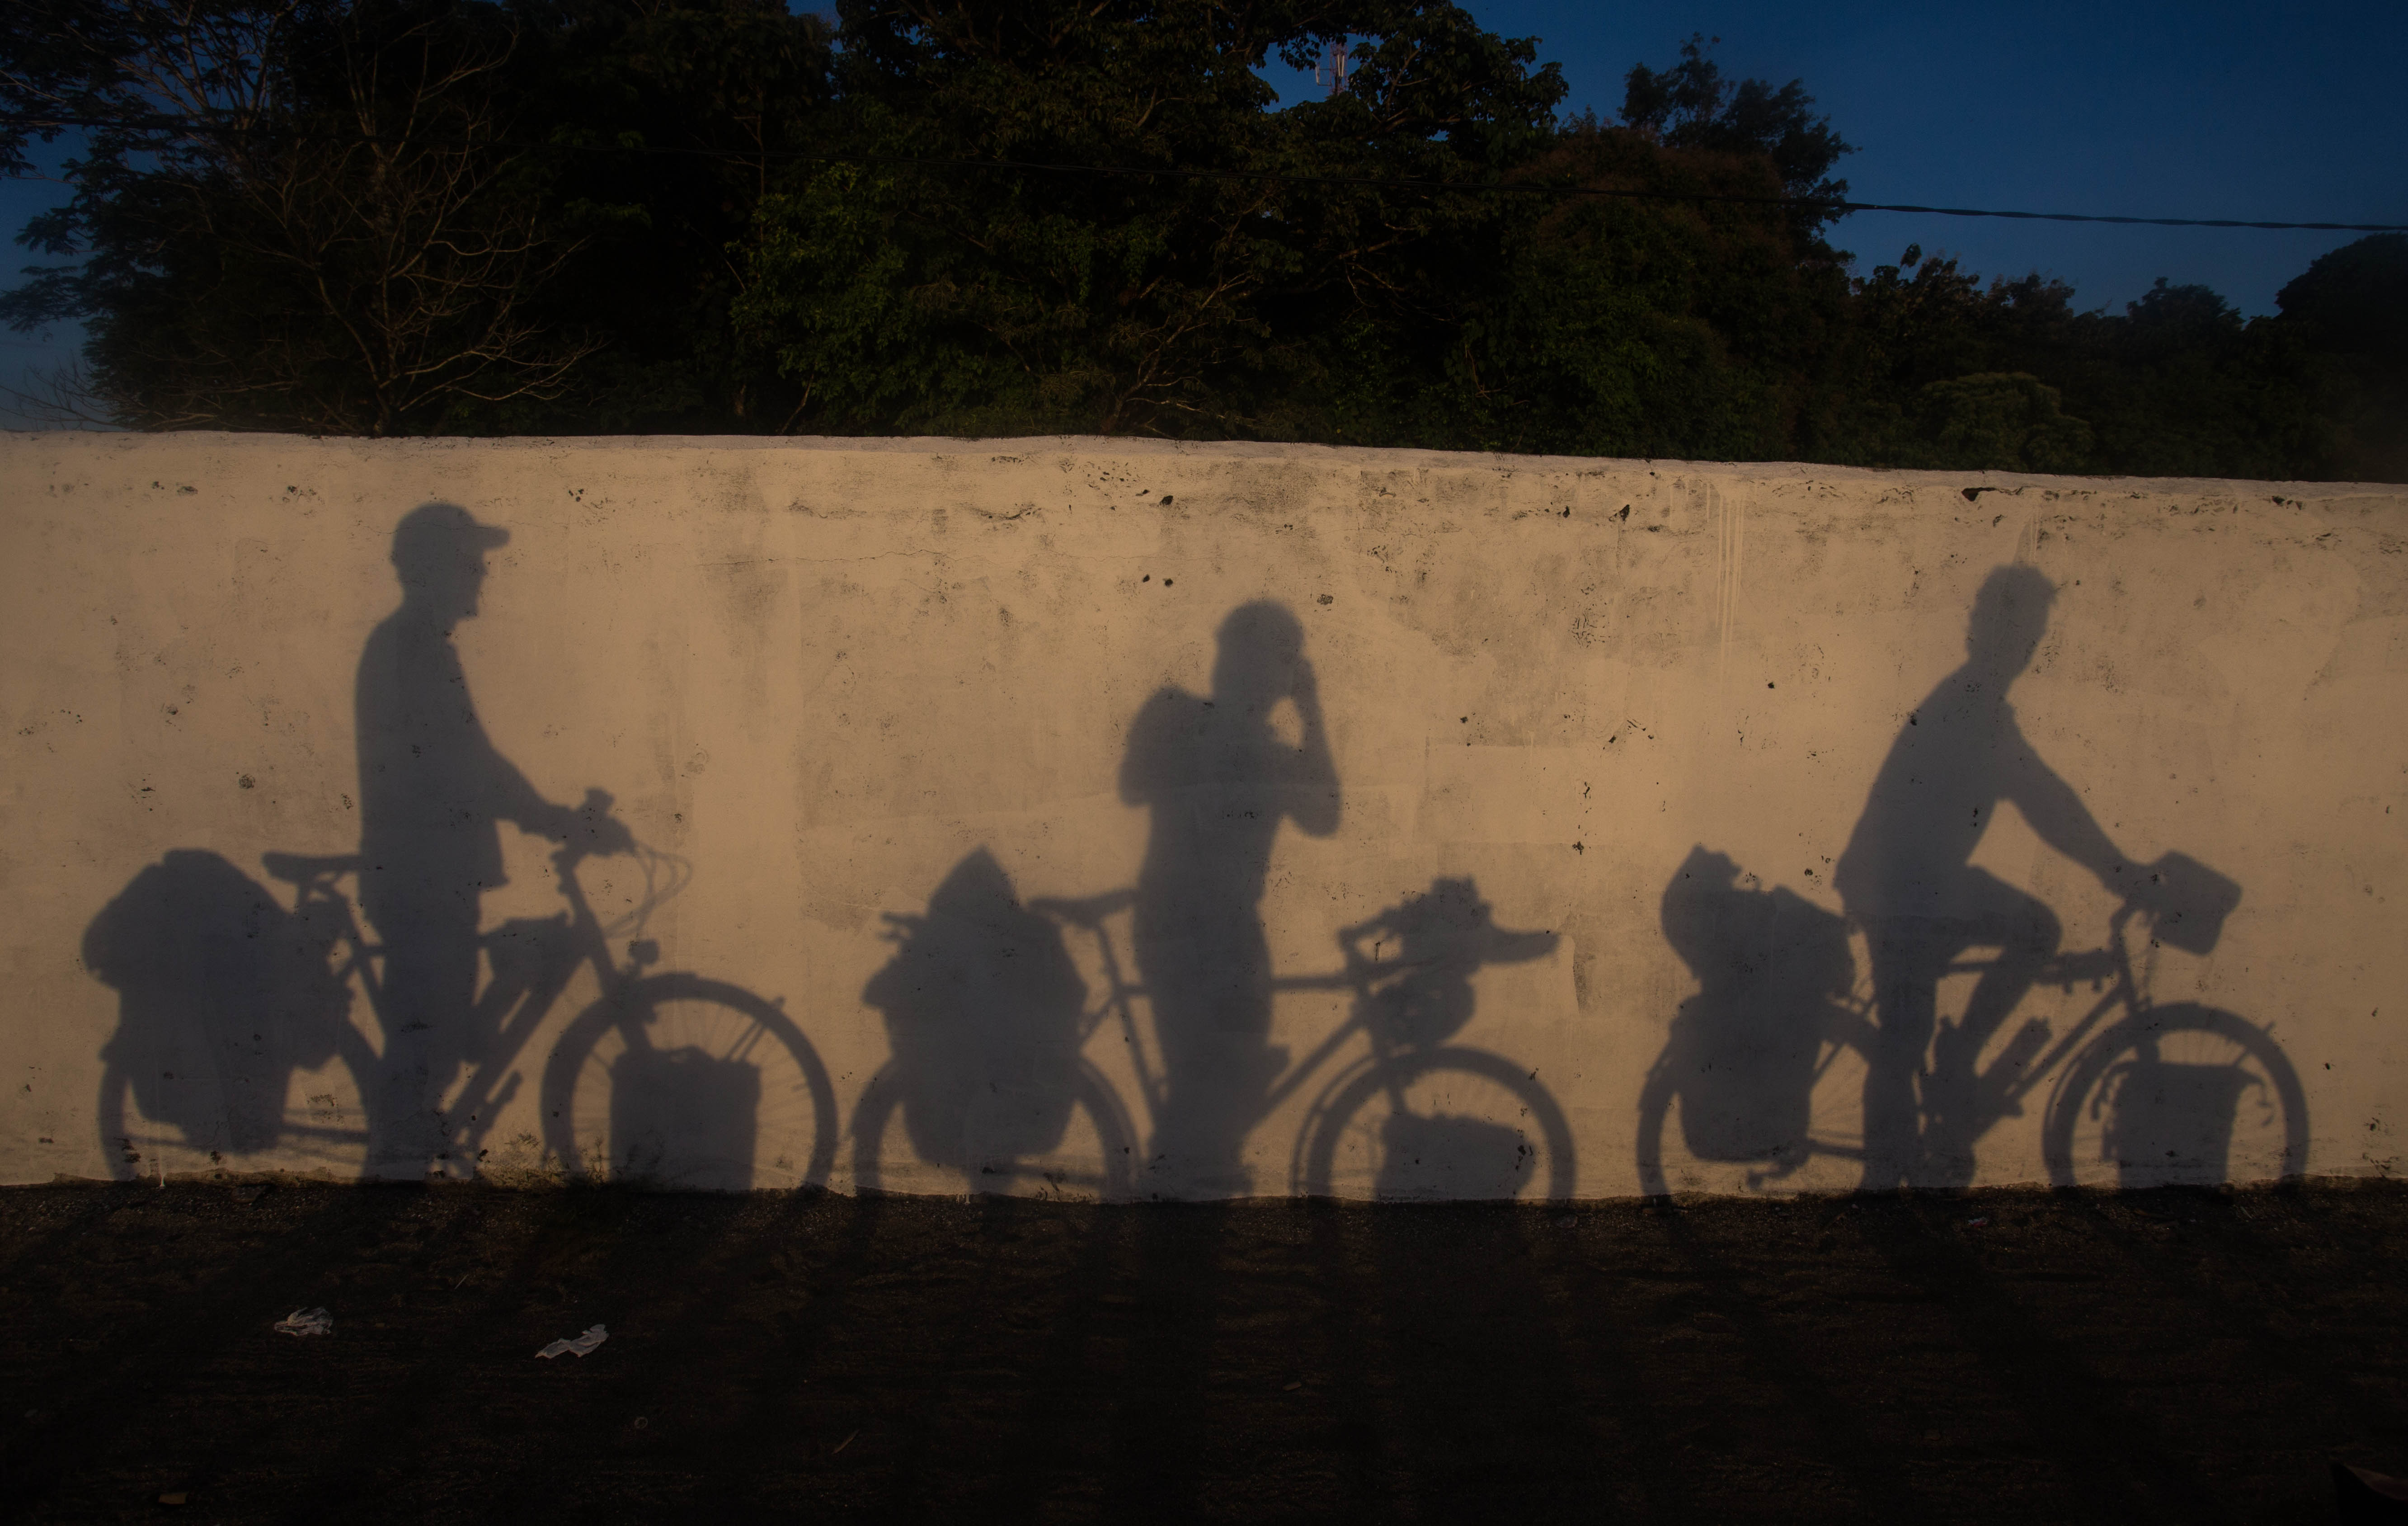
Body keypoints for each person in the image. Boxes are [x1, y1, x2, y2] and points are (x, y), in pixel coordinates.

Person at [1834, 565, 2148, 1189]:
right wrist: (2120, 873)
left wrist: (2117, 870)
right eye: (2020, 632)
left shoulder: (1975, 702)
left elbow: (2046, 798)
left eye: (2033, 636)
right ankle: (1892, 1173)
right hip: (1904, 886)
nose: (2026, 648)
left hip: (1912, 883)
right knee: (1912, 1031)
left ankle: (1914, 1141)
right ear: (1987, 630)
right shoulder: (1971, 708)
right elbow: (2048, 803)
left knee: (1910, 1030)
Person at [354, 502, 626, 1173]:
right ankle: (388, 1183)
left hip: (432, 869)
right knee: (427, 1043)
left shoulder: (418, 646)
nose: (481, 573)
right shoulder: (412, 650)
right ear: (432, 569)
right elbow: (465, 764)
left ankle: (402, 1164)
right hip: (423, 872)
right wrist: (556, 820)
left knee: (436, 1038)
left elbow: (474, 759)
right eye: (469, 561)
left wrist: (551, 815)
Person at [1119, 602, 1340, 1193]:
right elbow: (1132, 786)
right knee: (1204, 1082)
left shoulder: (1273, 751)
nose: (1255, 673)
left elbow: (1325, 817)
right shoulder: (1179, 714)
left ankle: (1186, 1189)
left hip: (1236, 929)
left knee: (1230, 1084)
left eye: (1277, 663)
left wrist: (1311, 713)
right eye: (1247, 656)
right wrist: (1224, 742)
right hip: (1177, 922)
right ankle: (1172, 1199)